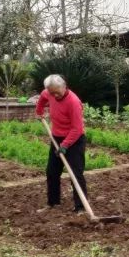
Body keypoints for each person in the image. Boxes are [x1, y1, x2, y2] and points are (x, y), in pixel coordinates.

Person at [35, 74, 87, 212]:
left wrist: (65, 145)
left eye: (57, 92)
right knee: (51, 172)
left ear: (64, 86)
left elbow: (77, 129)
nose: (54, 96)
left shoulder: (73, 102)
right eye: (52, 93)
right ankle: (53, 203)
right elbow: (42, 97)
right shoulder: (49, 92)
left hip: (74, 140)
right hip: (56, 137)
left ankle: (80, 207)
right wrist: (38, 112)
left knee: (76, 173)